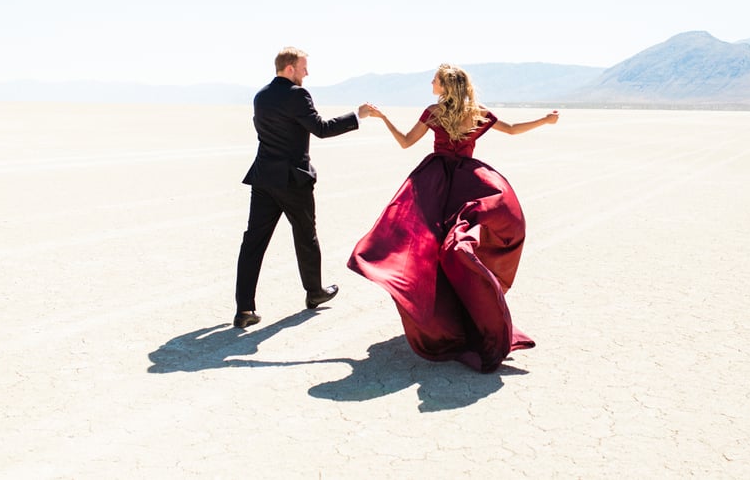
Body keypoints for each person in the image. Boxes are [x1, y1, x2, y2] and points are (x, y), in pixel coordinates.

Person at [348, 63, 559, 372]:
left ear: (445, 85)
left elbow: (406, 142)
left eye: (435, 79)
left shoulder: (434, 112)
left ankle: (448, 323)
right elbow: (512, 130)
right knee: (454, 250)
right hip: (466, 182)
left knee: (430, 248)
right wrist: (544, 121)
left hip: (435, 183)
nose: (431, 82)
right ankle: (464, 317)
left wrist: (383, 119)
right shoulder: (478, 112)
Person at [233, 47, 373, 329]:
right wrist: (357, 116)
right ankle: (314, 292)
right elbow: (320, 128)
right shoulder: (297, 95)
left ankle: (244, 309)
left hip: (263, 178)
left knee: (253, 242)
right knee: (306, 236)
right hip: (292, 180)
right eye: (303, 67)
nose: (307, 73)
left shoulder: (261, 96)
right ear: (289, 68)